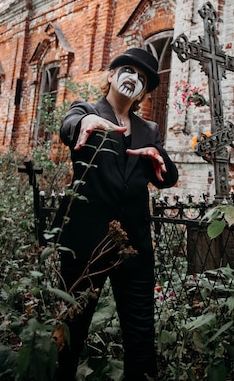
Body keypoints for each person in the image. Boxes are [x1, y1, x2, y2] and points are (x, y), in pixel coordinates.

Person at [55, 48, 178, 381]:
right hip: (86, 246)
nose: (133, 78)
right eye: (127, 70)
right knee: (71, 330)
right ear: (111, 75)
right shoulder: (87, 110)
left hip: (134, 247)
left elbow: (165, 178)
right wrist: (85, 123)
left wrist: (160, 158)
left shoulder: (148, 129)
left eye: (142, 78)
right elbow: (69, 125)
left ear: (144, 92)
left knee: (141, 338)